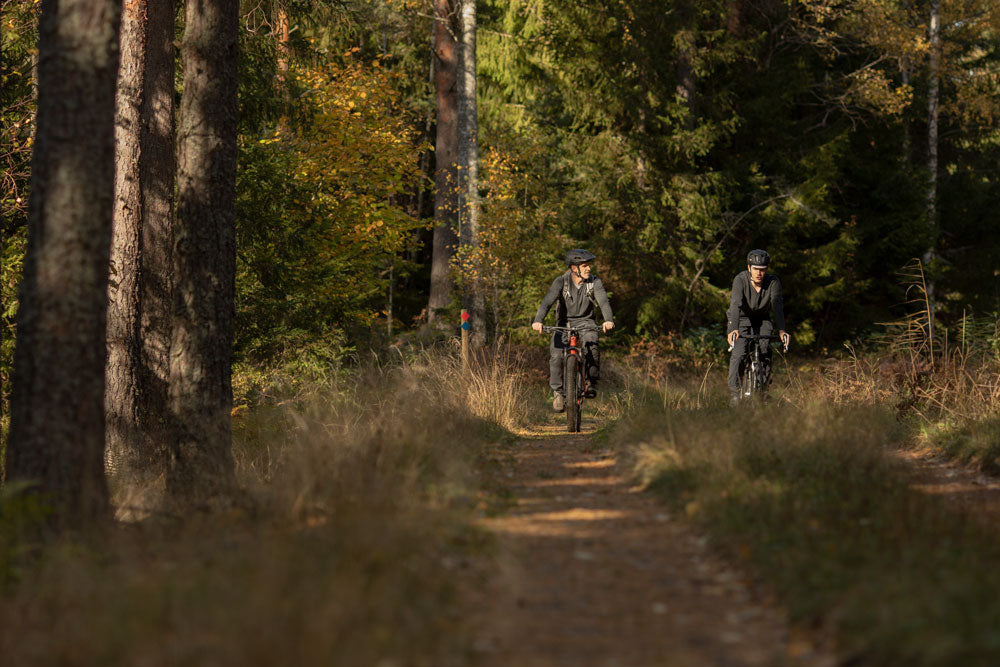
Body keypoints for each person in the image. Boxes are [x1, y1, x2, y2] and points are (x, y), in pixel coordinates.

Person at [532, 249, 615, 411]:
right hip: (564, 323)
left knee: (592, 346)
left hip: (586, 321)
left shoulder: (594, 282)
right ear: (573, 268)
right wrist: (538, 321)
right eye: (584, 266)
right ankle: (558, 392)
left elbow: (604, 302)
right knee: (556, 355)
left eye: (588, 265)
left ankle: (590, 381)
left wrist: (608, 320)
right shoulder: (561, 282)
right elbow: (546, 302)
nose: (588, 269)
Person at [726, 249, 789, 405]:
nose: (758, 273)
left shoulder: (773, 282)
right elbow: (735, 305)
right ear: (749, 268)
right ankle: (735, 393)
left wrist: (782, 330)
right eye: (755, 269)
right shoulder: (740, 280)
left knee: (765, 351)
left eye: (762, 270)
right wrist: (733, 328)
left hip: (762, 319)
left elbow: (777, 306)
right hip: (740, 319)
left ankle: (763, 390)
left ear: (766, 269)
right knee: (739, 353)